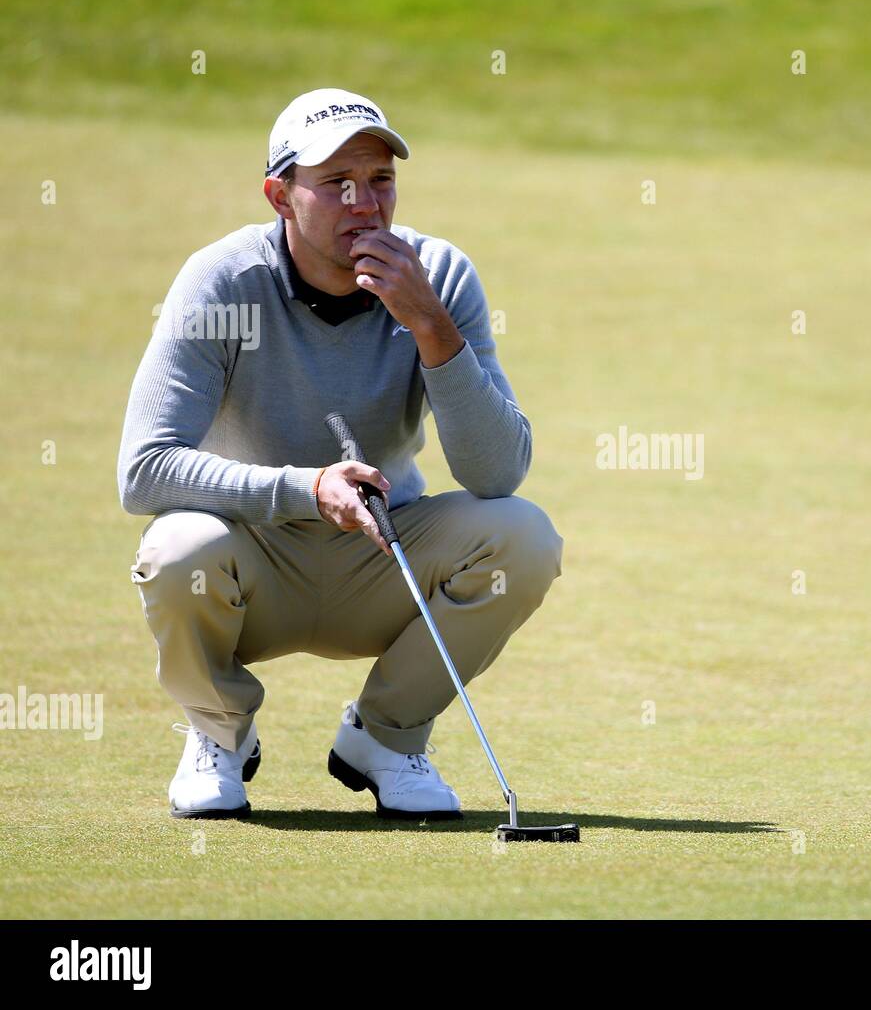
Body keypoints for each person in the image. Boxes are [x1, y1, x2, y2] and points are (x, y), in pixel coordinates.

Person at [117, 88, 563, 820]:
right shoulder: (222, 282)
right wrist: (306, 488)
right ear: (279, 196)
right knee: (176, 545)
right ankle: (219, 735)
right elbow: (143, 470)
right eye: (337, 185)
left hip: (382, 563)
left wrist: (429, 325)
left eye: (381, 181)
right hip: (251, 562)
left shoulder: (439, 278)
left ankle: (387, 739)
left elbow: (496, 472)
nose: (365, 203)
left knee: (524, 535)